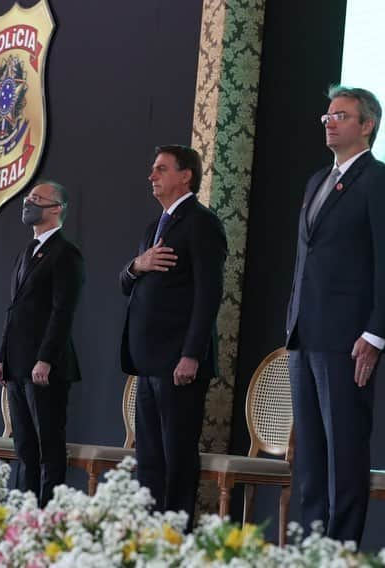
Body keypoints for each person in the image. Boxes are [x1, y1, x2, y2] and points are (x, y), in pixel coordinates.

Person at [285, 85, 385, 544]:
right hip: (305, 332)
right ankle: (312, 547)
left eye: (340, 115)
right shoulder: (316, 180)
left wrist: (376, 333)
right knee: (311, 457)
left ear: (367, 124)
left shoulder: (381, 179)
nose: (328, 122)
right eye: (327, 116)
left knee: (344, 452)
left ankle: (342, 550)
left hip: (347, 337)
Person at [120, 145, 227, 528]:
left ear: (186, 176)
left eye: (161, 169)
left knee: (176, 457)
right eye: (153, 170)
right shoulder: (154, 228)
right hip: (148, 361)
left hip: (179, 361)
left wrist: (192, 353)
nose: (152, 176)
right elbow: (125, 284)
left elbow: (208, 293)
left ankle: (175, 539)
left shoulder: (201, 223)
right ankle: (150, 537)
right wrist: (138, 264)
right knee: (149, 458)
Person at [0, 181, 85, 507]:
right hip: (17, 364)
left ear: (56, 208)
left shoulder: (66, 253)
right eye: (28, 198)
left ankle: (47, 517)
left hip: (45, 368)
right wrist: (2, 355)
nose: (27, 203)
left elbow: (63, 312)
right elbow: (14, 309)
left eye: (36, 199)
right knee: (25, 449)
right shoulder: (25, 253)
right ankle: (25, 514)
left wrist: (45, 358)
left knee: (48, 447)